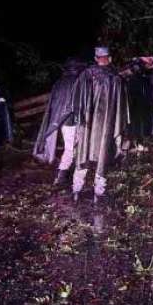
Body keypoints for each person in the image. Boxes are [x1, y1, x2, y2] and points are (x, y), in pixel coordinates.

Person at [71, 45, 128, 204]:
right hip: (106, 126)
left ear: (96, 59)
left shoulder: (86, 75)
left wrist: (80, 118)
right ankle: (98, 194)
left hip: (87, 124)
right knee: (102, 156)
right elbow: (121, 109)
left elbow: (76, 100)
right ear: (109, 58)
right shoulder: (116, 78)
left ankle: (76, 190)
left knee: (84, 152)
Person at [33, 57, 87, 185]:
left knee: (71, 148)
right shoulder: (77, 82)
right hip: (72, 121)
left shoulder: (59, 82)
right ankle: (61, 176)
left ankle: (64, 175)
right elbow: (77, 105)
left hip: (62, 121)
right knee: (70, 149)